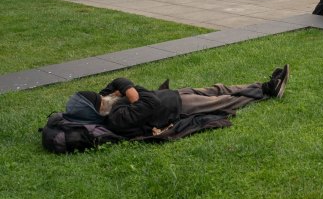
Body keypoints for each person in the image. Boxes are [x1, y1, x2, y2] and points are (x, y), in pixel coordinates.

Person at [64, 65, 290, 138]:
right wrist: (131, 90)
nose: (103, 95)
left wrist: (125, 88)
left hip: (172, 96)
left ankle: (263, 85)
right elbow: (149, 102)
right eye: (99, 100)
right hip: (176, 107)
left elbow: (116, 82)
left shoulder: (109, 104)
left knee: (217, 88)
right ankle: (269, 92)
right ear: (96, 111)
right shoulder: (116, 118)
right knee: (225, 101)